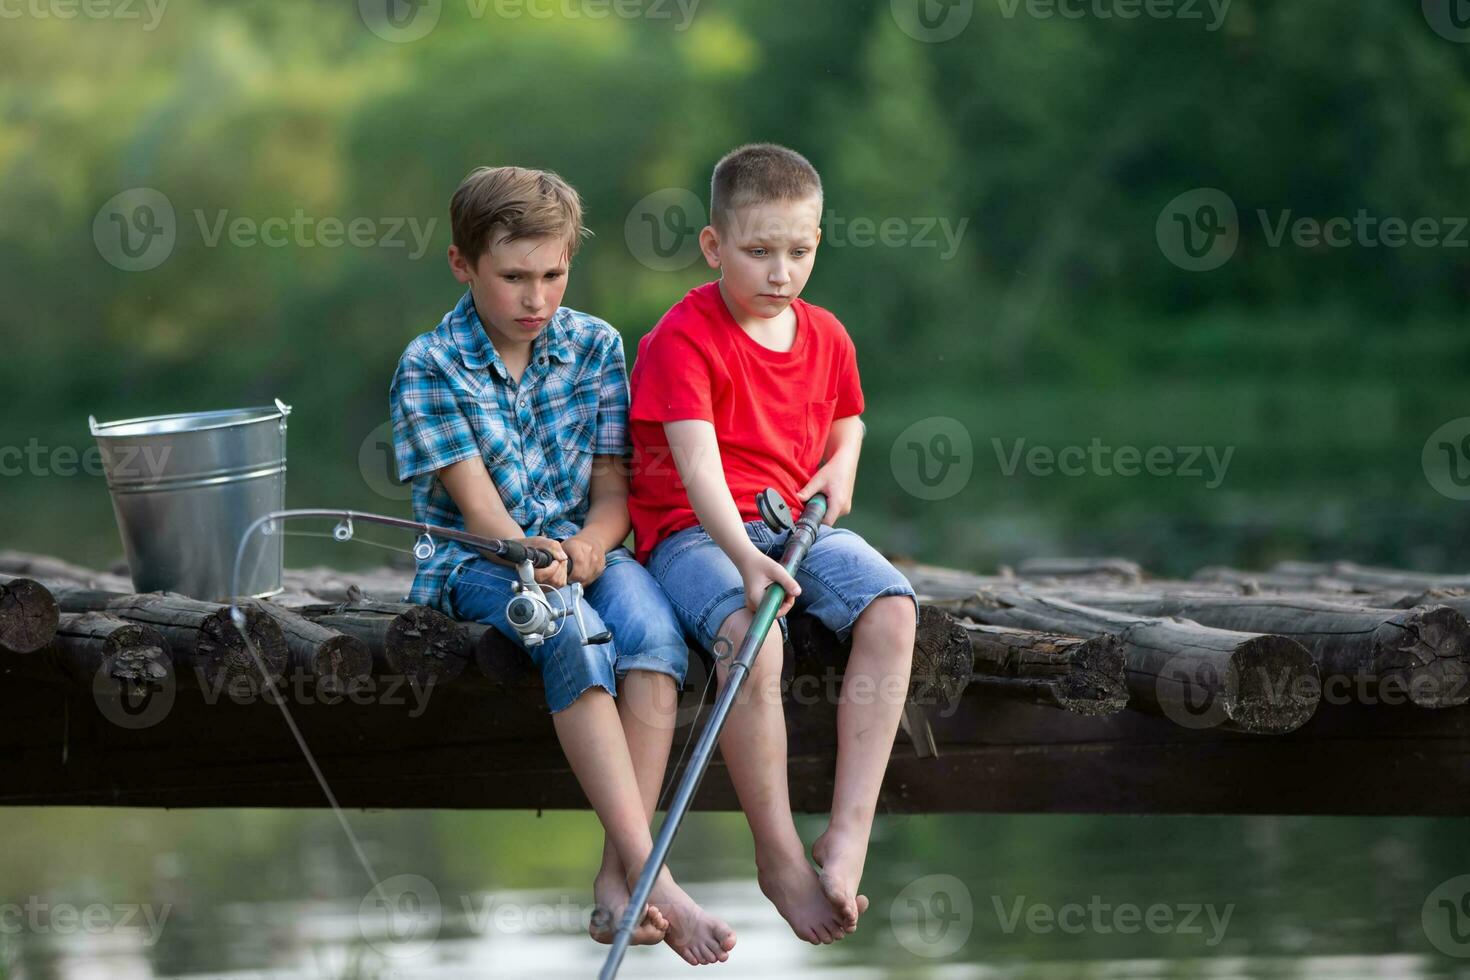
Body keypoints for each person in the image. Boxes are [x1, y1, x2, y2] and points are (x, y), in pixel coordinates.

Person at [389, 165, 735, 966]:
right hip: (479, 562)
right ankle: (657, 875)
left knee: (652, 629)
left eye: (552, 275)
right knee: (575, 634)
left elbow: (614, 492)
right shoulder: (431, 366)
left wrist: (590, 545)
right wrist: (537, 556)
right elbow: (481, 515)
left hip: (582, 548)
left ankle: (620, 881)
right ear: (462, 265)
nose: (535, 298)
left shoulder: (594, 345)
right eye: (513, 277)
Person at [628, 143, 920, 946]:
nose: (780, 271)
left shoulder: (826, 334)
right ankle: (779, 853)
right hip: (695, 530)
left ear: (817, 243)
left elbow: (849, 417)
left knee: (893, 610)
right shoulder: (684, 337)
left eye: (798, 251)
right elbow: (695, 470)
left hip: (794, 521)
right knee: (750, 643)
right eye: (759, 252)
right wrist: (747, 559)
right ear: (715, 247)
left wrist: (843, 465)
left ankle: (848, 833)